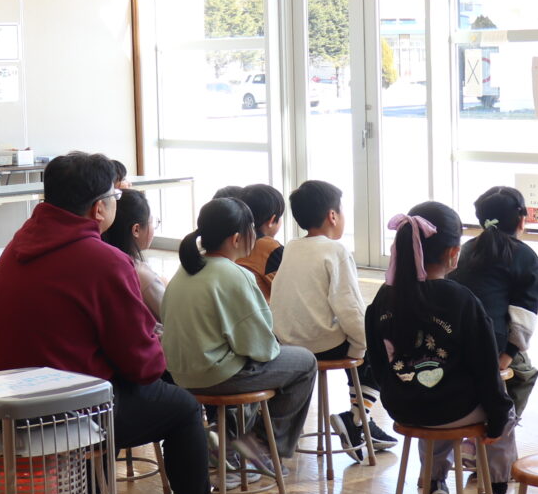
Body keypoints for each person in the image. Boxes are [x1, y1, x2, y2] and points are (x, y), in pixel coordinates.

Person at [0, 152, 248, 494]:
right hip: (63, 414)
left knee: (97, 381)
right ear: (99, 207)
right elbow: (140, 364)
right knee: (180, 409)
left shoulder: (15, 248)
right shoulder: (103, 260)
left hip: (3, 406)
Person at [363, 202, 518, 494]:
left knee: (432, 398)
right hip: (455, 409)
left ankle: (435, 487)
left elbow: (376, 364)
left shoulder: (381, 301)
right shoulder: (461, 299)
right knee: (501, 409)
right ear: (453, 253)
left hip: (405, 409)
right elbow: (485, 370)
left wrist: (402, 391)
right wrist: (498, 416)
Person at [162, 197, 317, 469]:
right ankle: (262, 444)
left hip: (181, 375)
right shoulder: (234, 274)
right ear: (236, 238)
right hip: (216, 375)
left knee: (261, 359)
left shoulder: (184, 271)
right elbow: (260, 348)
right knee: (305, 362)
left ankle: (226, 442)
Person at [269, 179, 393, 462]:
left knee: (359, 340)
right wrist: (363, 346)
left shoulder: (291, 247)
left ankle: (359, 421)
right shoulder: (335, 251)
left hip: (288, 344)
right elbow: (349, 307)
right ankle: (358, 420)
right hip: (321, 344)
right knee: (377, 344)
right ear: (333, 216)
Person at [449, 185, 538, 416]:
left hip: (451, 340)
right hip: (491, 343)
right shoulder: (525, 255)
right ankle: (499, 425)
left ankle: (476, 418)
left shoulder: (465, 250)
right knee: (524, 374)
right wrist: (507, 355)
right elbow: (524, 318)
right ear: (522, 220)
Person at [101, 188, 164, 321]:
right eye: (151, 222)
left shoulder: (102, 261)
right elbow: (173, 317)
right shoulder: (141, 274)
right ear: (136, 229)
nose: (153, 228)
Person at [234, 184, 286, 299]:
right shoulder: (270, 248)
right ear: (272, 220)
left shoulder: (231, 244)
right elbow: (288, 292)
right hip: (263, 314)